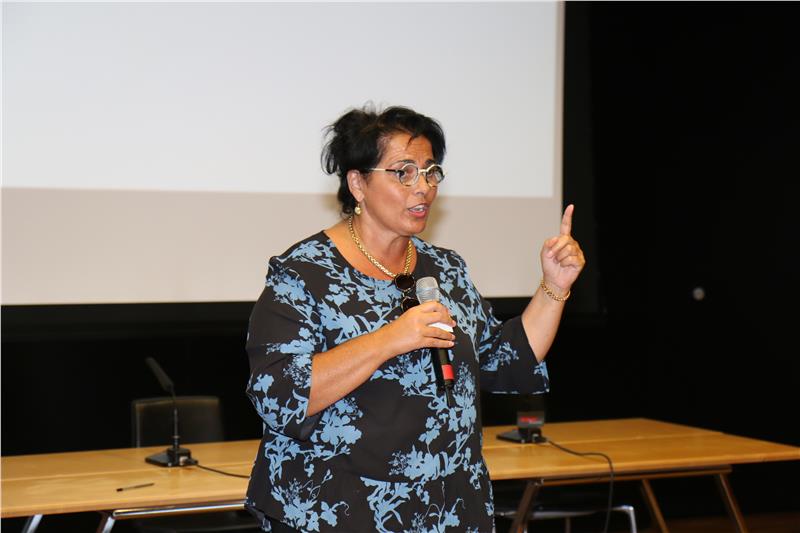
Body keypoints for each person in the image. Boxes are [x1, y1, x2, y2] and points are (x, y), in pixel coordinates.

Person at [244, 104, 585, 532]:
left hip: (450, 508)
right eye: (403, 172)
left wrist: (554, 286)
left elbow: (503, 361)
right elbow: (279, 395)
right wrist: (391, 338)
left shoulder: (446, 269)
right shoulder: (303, 274)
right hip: (340, 509)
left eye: (430, 172)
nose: (423, 187)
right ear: (358, 183)